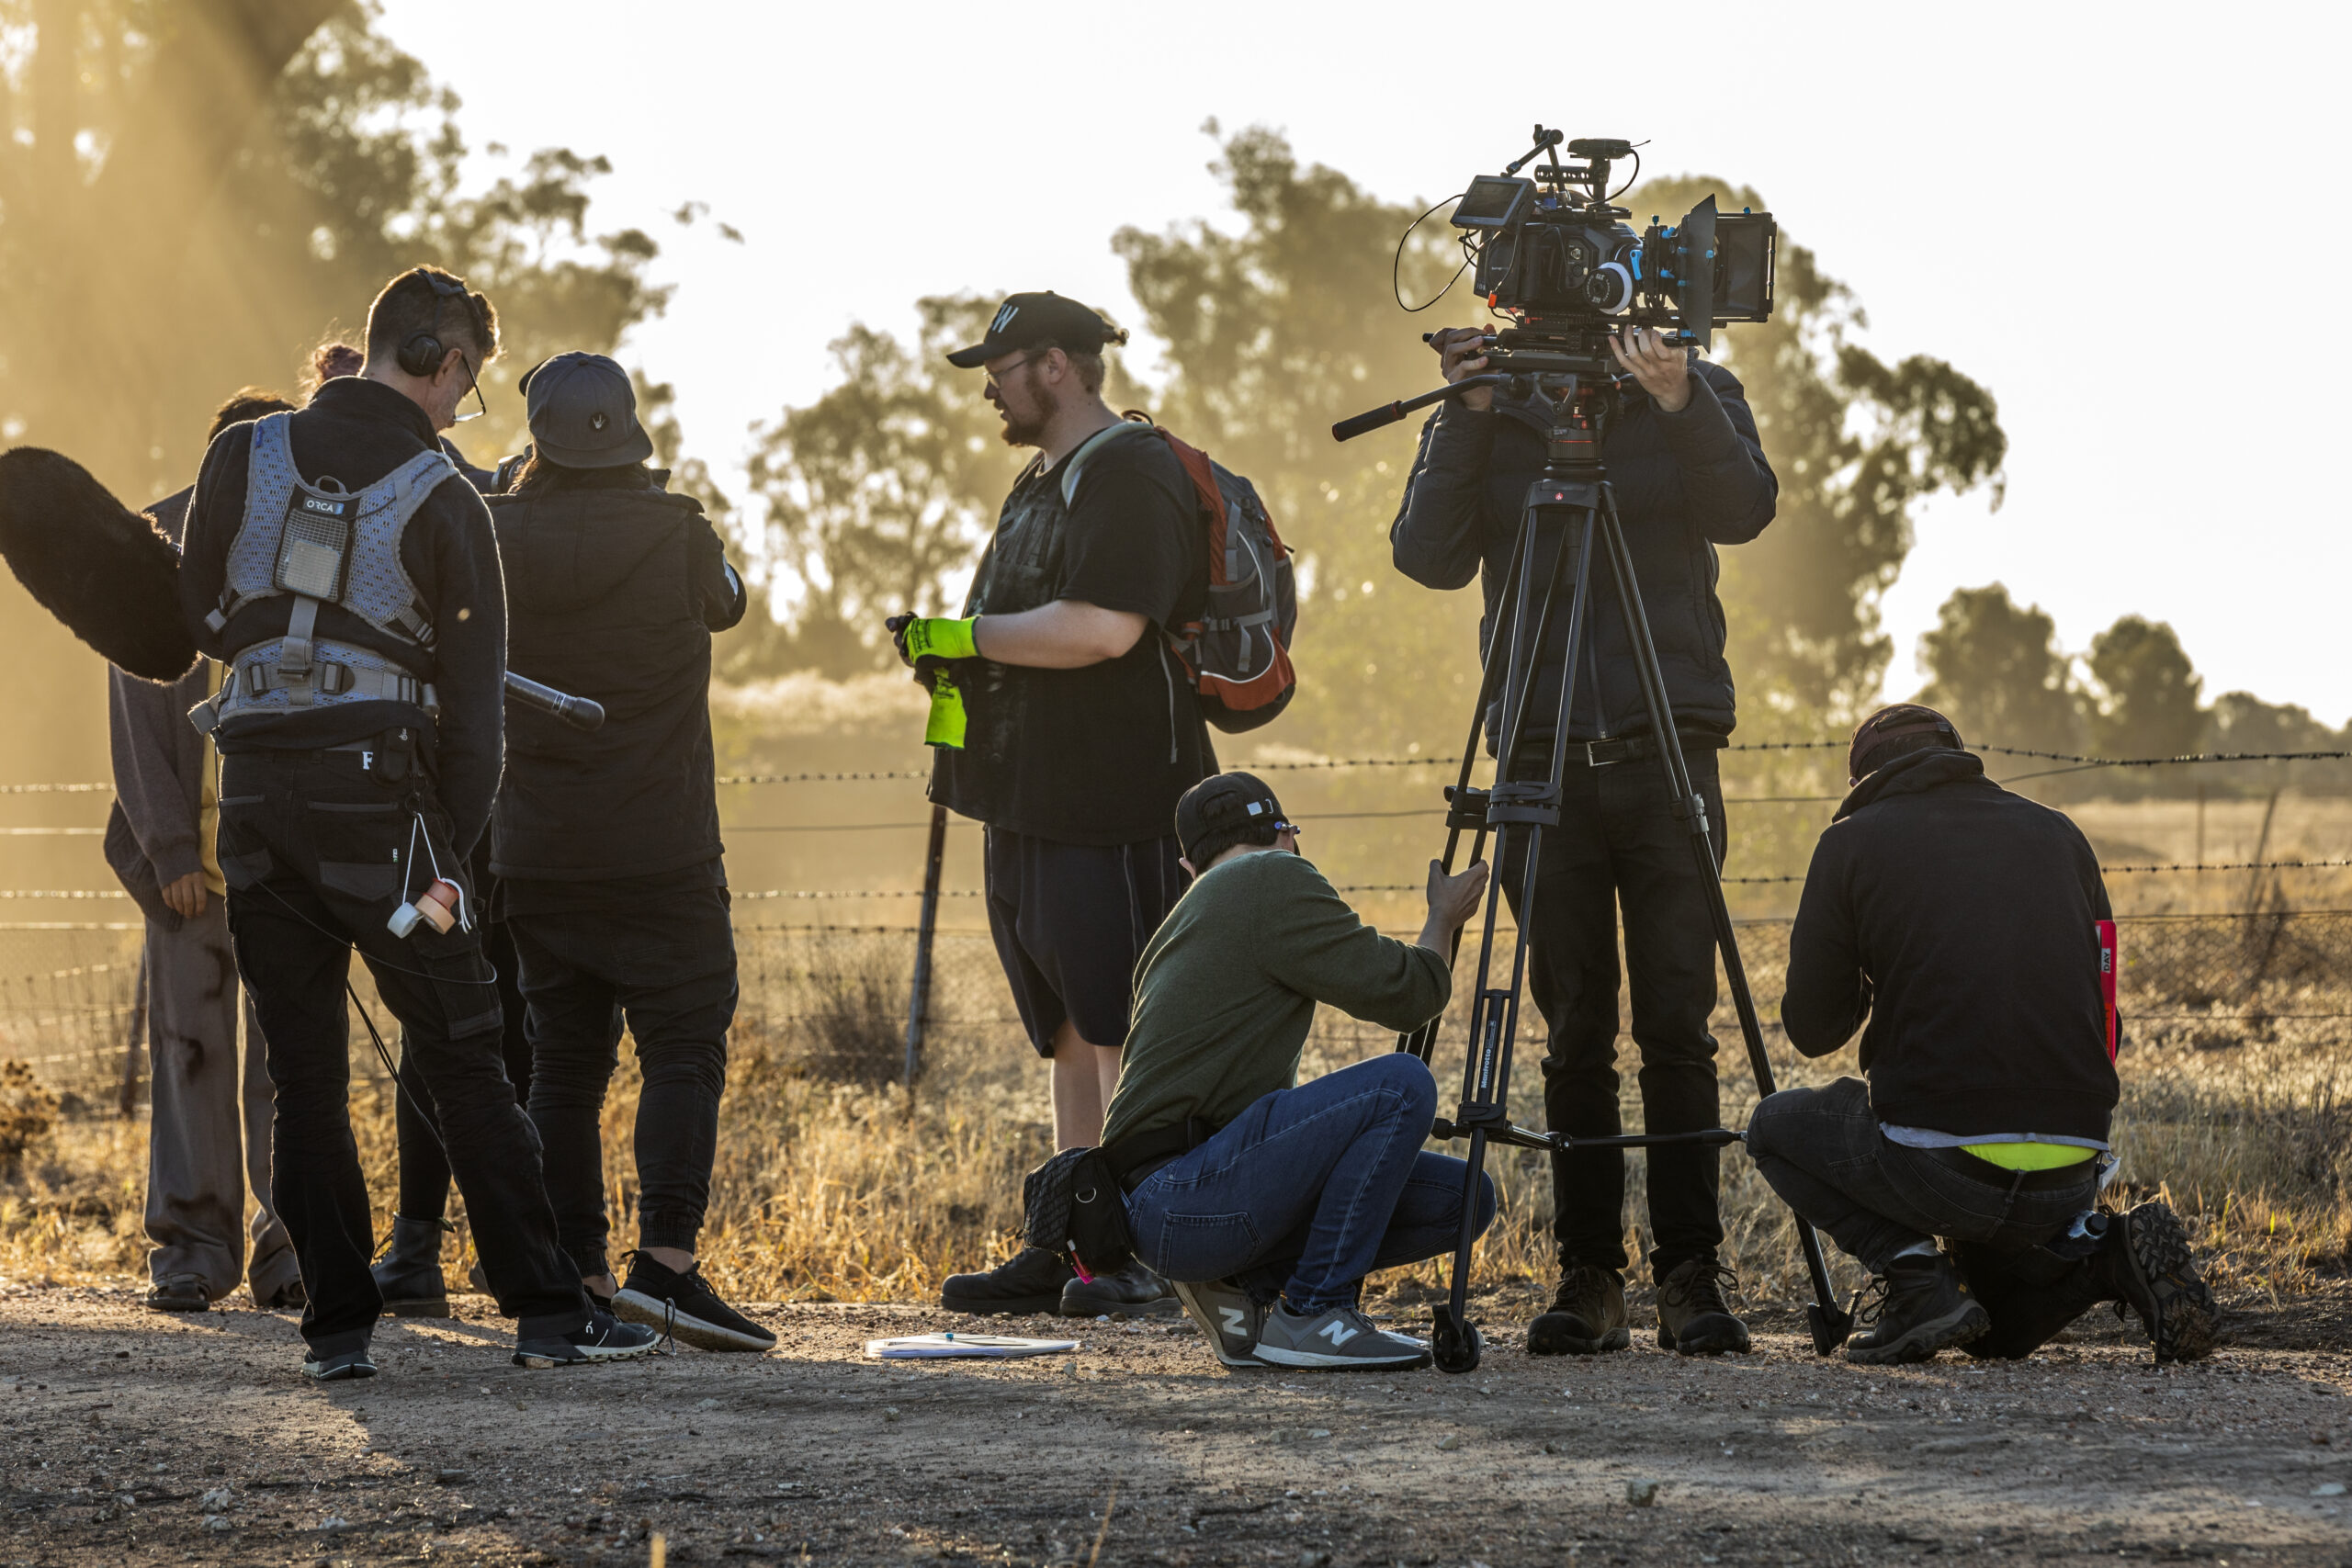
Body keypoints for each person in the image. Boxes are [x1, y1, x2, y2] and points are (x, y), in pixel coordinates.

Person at [175, 265, 657, 1378]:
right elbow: (478, 719)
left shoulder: (239, 457)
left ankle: (337, 1334)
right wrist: (456, 862)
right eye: (468, 385)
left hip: (250, 799)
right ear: (441, 362)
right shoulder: (444, 495)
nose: (460, 408)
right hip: (386, 815)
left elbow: (196, 610)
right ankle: (547, 1313)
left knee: (304, 1076)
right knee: (465, 1057)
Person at [1389, 324, 1778, 1359]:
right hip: (1538, 752)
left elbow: (1744, 510)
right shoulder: (1492, 408)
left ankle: (1691, 1273)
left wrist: (1678, 401)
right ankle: (1589, 1274)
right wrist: (1464, 420)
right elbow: (1424, 556)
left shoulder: (1689, 386)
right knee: (1571, 1031)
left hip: (1667, 748)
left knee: (1676, 1025)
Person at [900, 293, 1214, 1320]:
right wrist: (950, 652)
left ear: (1055, 367)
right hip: (1029, 798)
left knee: (1122, 1019)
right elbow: (1026, 628)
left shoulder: (1129, 470)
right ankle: (1072, 1240)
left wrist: (961, 638)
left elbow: (1101, 630)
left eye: (997, 366)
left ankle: (1138, 1250)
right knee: (1070, 1025)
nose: (985, 386)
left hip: (1115, 799)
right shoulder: (1040, 480)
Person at [1750, 705, 2222, 1365]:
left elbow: (1811, 1028)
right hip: (2072, 1167)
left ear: (1864, 778)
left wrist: (1872, 959)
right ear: (1957, 755)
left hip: (1940, 1168)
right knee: (1992, 1334)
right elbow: (2107, 1024)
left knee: (1770, 1127)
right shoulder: (2062, 835)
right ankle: (2104, 1256)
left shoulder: (1853, 841)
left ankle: (1912, 1273)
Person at [479, 352, 768, 1353]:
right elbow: (730, 602)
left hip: (537, 850)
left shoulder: (493, 530)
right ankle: (670, 1271)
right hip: (662, 846)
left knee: (562, 1066)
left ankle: (586, 1276)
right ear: (631, 431)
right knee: (683, 1048)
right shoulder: (678, 533)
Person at [1103, 773, 1495, 1370]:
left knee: (1463, 1198)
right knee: (1400, 1083)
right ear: (1284, 835)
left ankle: (1251, 1296)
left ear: (1188, 862)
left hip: (1161, 1207)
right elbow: (1409, 993)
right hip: (1191, 1195)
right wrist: (1443, 917)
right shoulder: (1272, 875)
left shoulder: (1183, 919)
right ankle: (1315, 1311)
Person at [107, 388, 303, 1315]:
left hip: (288, 861)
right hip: (189, 873)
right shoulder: (160, 542)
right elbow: (137, 715)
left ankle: (291, 1250)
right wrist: (172, 848)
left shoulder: (315, 538)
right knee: (191, 1058)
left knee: (291, 1062)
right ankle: (191, 1250)